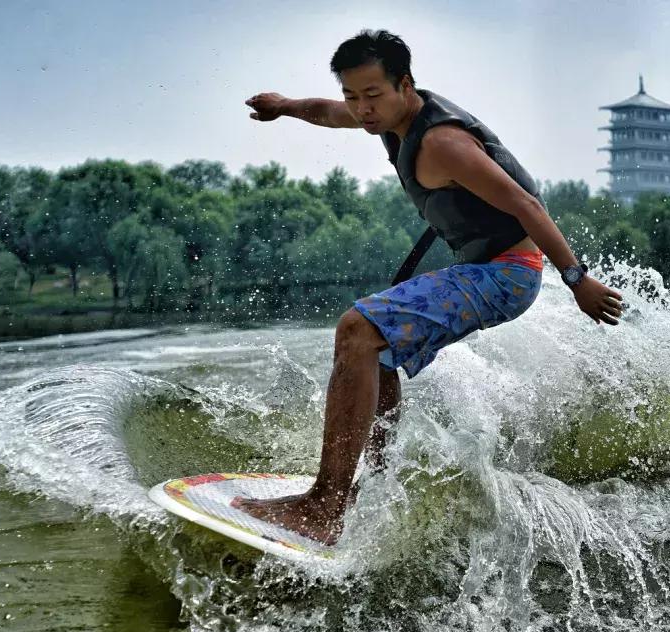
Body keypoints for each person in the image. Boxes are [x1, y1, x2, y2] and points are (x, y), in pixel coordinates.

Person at [235, 29, 624, 545]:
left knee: (358, 328)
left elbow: (528, 207)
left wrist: (577, 281)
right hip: (488, 266)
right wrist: (285, 106)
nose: (362, 109)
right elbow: (330, 111)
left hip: (507, 273)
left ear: (405, 84)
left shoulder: (443, 143)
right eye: (355, 95)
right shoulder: (385, 115)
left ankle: (324, 507)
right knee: (376, 351)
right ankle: (370, 493)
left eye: (371, 96)